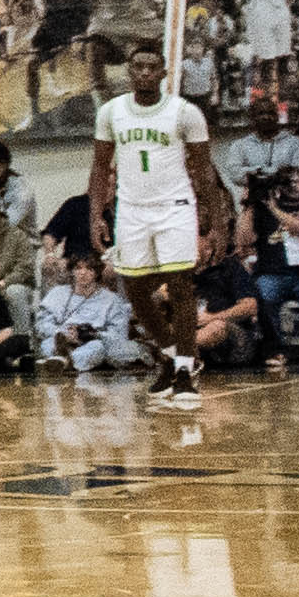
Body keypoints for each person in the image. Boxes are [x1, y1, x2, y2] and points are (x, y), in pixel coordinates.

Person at [88, 43, 223, 405]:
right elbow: (100, 168)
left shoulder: (185, 112)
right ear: (129, 72)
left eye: (153, 67)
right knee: (131, 285)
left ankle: (183, 369)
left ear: (164, 73)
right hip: (131, 208)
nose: (145, 72)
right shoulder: (111, 112)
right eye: (139, 67)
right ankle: (170, 352)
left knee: (180, 284)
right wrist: (96, 215)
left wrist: (217, 224)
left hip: (174, 206)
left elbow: (205, 171)